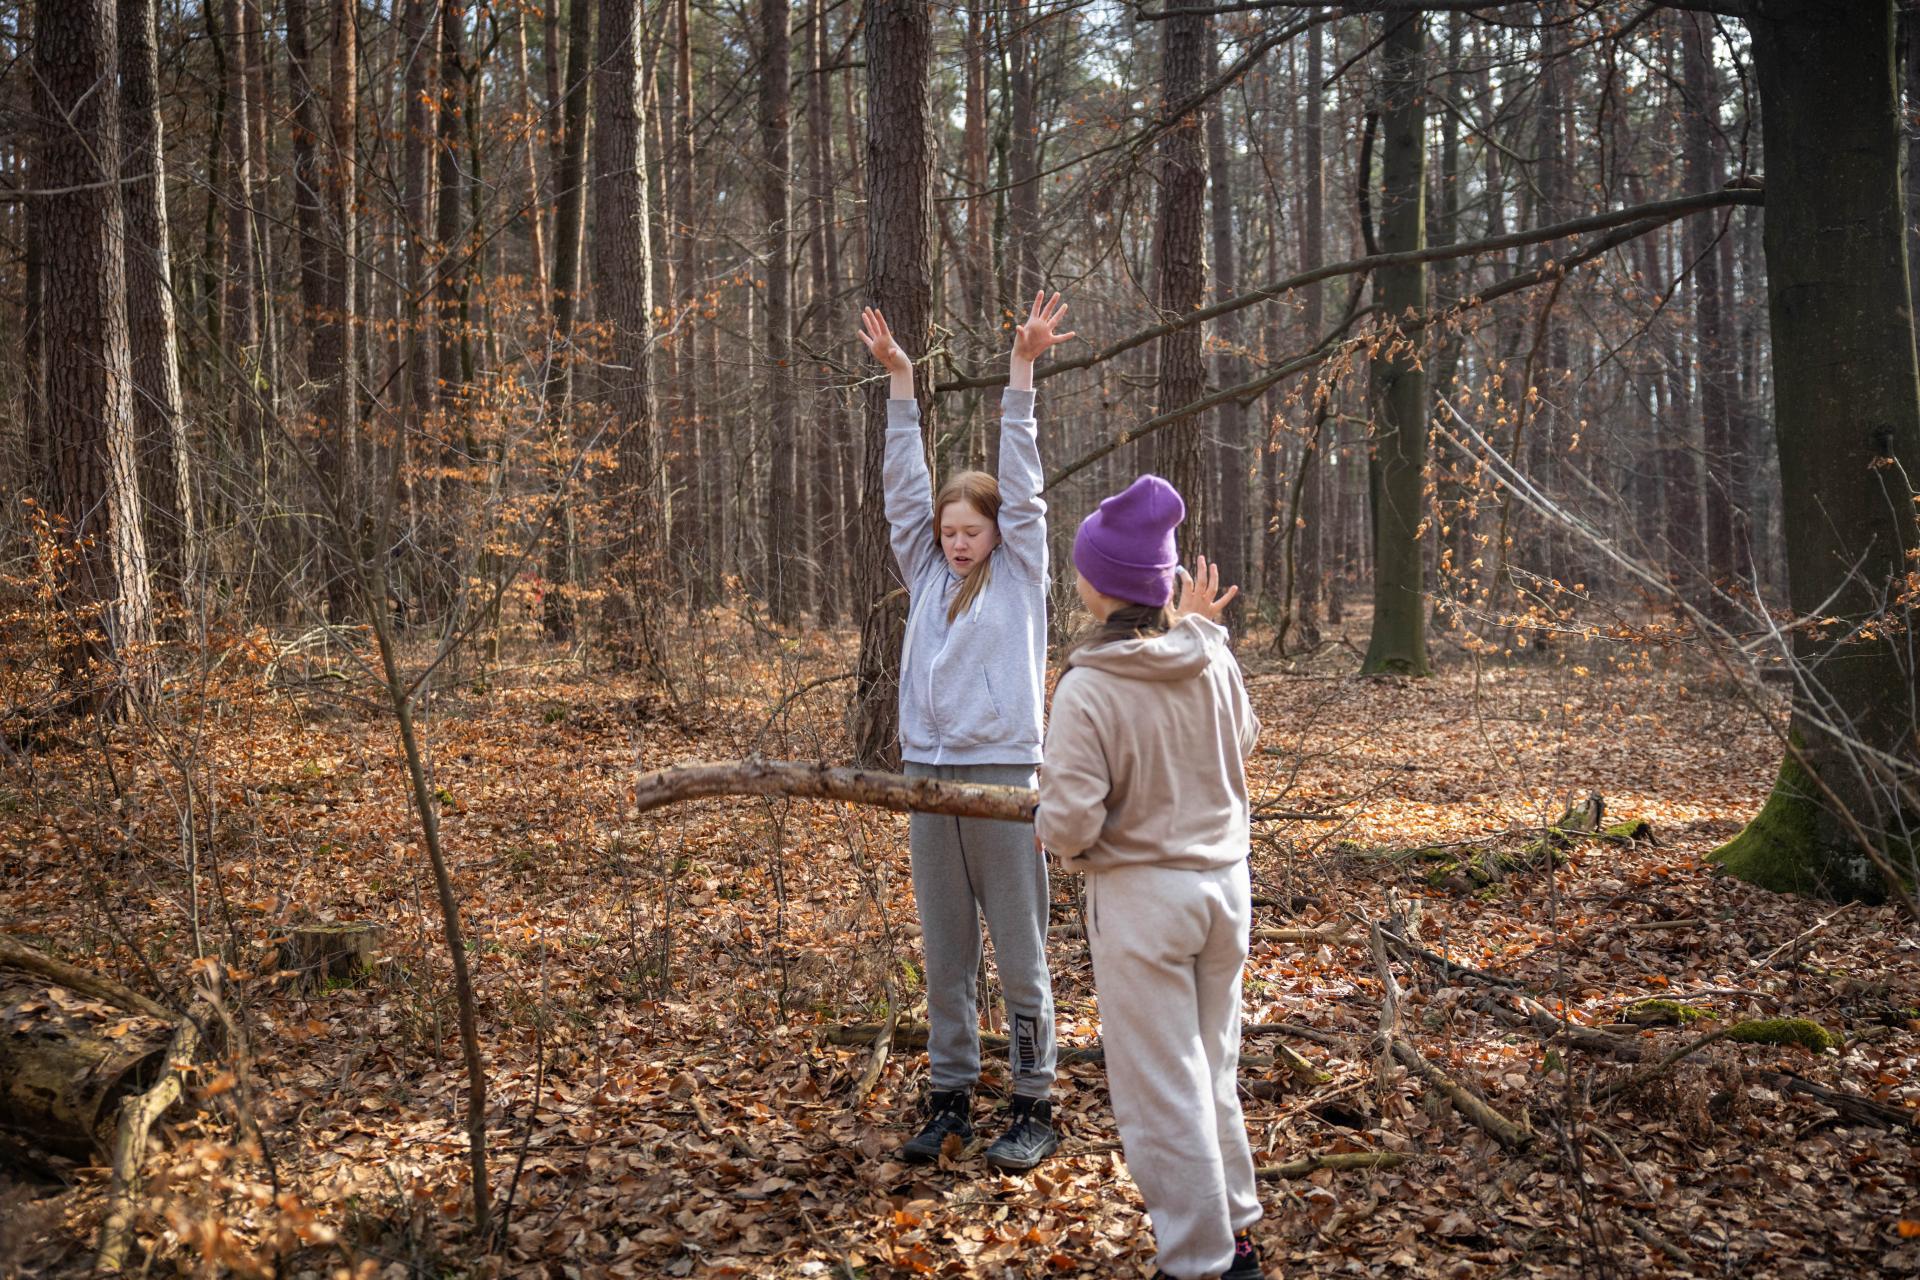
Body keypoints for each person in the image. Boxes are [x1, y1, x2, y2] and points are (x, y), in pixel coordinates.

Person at [858, 293, 1075, 1171]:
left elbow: (1023, 485)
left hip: (1002, 779)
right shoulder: (923, 566)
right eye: (947, 532)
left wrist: (1021, 375)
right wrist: (902, 387)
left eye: (968, 530)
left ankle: (1034, 1100)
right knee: (945, 951)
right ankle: (949, 1095)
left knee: (1019, 951)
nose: (954, 542)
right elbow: (903, 496)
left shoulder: (1022, 572)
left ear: (995, 534)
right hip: (925, 778)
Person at [1035, 475, 1266, 1280]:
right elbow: (1245, 740)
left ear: (1096, 584)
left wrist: (1050, 826)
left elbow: (1069, 825)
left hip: (1144, 903)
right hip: (1225, 891)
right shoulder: (1213, 659)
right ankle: (1235, 1232)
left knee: (1162, 1090)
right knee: (1214, 1068)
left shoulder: (1088, 687)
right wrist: (1206, 638)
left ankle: (1198, 1263)